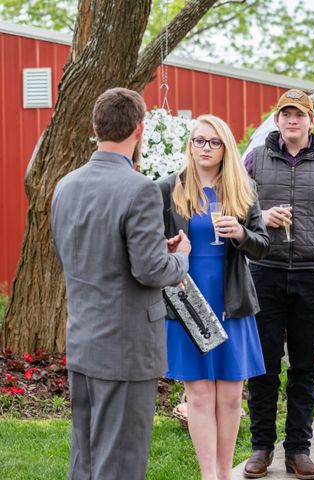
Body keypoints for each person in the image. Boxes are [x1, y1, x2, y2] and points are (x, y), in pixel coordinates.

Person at [50, 88, 190, 480]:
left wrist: (150, 249)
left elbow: (79, 252)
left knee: (86, 458)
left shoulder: (66, 185)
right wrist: (180, 258)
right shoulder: (139, 188)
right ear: (139, 129)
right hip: (126, 346)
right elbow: (150, 271)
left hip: (83, 339)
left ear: (96, 127)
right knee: (122, 462)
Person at [157, 114, 269, 480]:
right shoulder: (168, 188)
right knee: (200, 395)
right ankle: (209, 475)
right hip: (188, 300)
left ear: (225, 147)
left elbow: (263, 247)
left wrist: (240, 232)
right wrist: (170, 248)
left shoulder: (243, 188)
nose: (205, 148)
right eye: (198, 141)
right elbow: (149, 247)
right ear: (190, 145)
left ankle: (225, 473)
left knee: (231, 397)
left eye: (213, 142)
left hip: (231, 300)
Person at [244, 89, 314, 480]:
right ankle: (261, 447)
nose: (292, 121)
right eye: (286, 114)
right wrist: (261, 216)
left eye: (299, 115)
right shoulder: (254, 160)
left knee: (305, 367)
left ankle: (298, 450)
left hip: (312, 272)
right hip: (264, 271)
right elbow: (237, 209)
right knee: (264, 366)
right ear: (277, 121)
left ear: (311, 122)